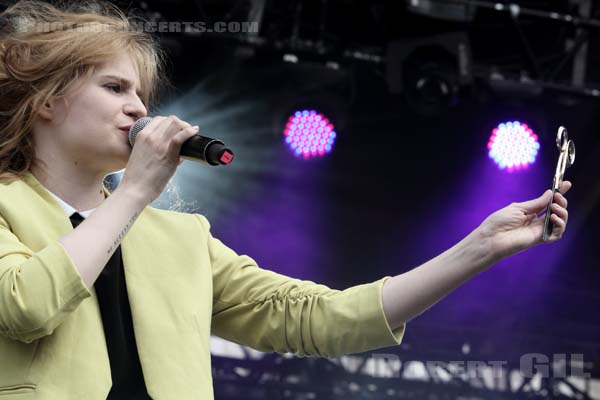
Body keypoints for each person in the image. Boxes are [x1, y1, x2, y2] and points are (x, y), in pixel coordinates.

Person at [0, 1, 572, 399]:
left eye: (141, 94)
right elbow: (28, 305)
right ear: (46, 102)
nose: (137, 108)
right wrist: (136, 194)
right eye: (114, 88)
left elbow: (319, 320)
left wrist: (480, 247)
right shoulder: (8, 207)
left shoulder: (178, 240)